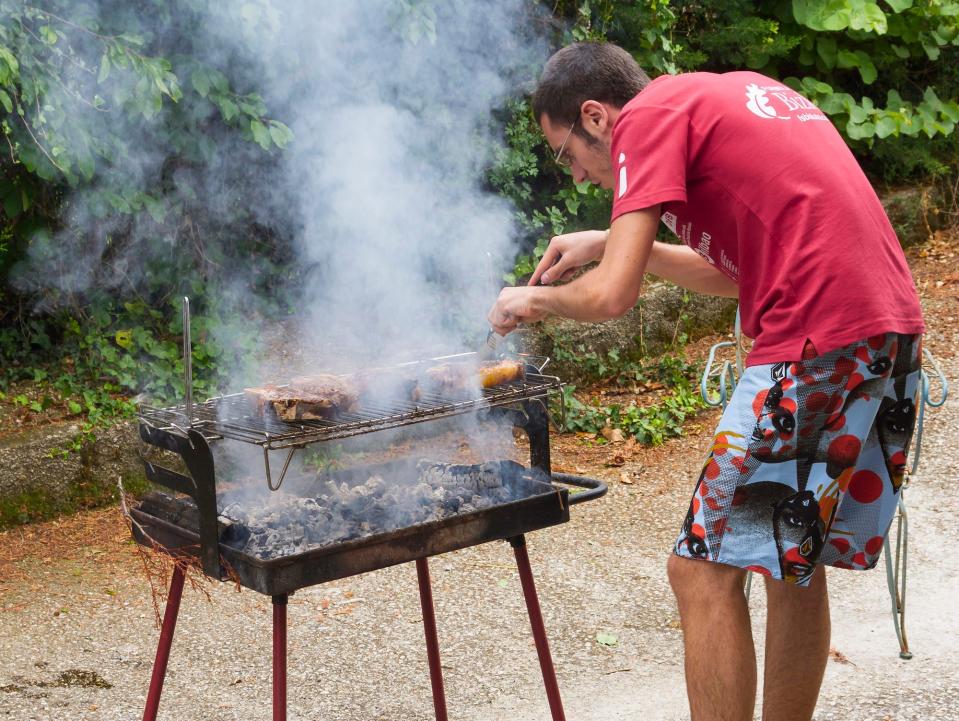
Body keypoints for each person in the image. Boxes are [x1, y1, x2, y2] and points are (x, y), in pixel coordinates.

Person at [488, 42, 925, 721]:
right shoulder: (717, 97)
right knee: (789, 563)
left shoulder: (647, 118)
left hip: (814, 335)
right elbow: (733, 271)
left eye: (566, 154)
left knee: (698, 570)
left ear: (596, 116)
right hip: (883, 332)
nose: (574, 178)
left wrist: (531, 300)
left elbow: (610, 298)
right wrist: (605, 242)